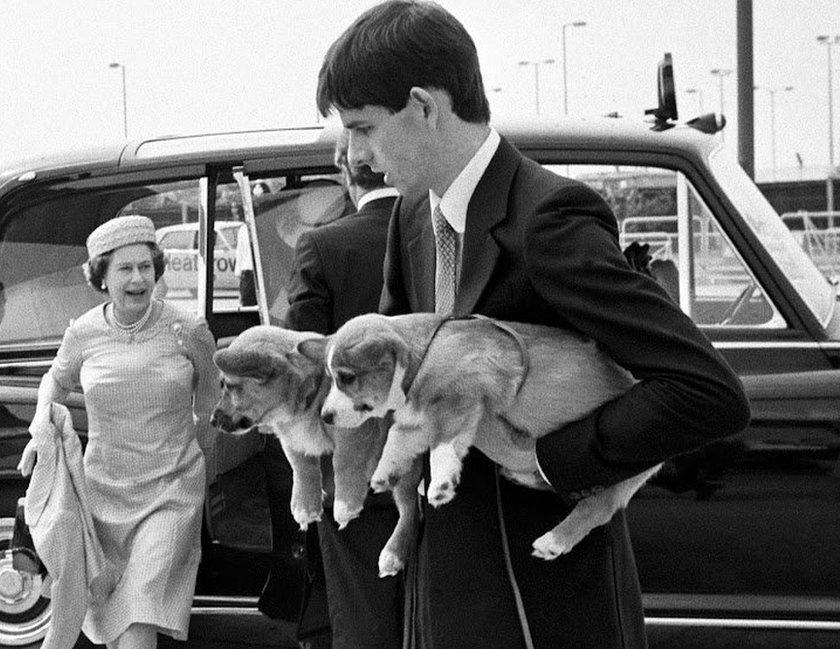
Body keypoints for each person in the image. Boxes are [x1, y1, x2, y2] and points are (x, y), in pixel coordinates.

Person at [315, 3, 751, 648]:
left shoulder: (549, 218)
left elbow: (705, 392)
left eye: (363, 128)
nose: (354, 154)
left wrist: (544, 459)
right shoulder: (411, 218)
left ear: (424, 106)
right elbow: (395, 392)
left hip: (541, 597)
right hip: (440, 584)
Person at [18, 214, 220, 649]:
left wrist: (204, 366)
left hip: (172, 489)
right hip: (104, 492)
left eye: (146, 266)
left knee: (141, 615)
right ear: (102, 277)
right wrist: (41, 425)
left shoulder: (189, 328)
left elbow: (210, 402)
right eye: (125, 269)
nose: (138, 278)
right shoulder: (84, 331)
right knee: (115, 622)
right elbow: (55, 380)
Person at [284, 132, 402, 649]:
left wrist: (305, 471)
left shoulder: (323, 244)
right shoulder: (448, 234)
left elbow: (300, 369)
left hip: (357, 465)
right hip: (449, 449)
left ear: (345, 169)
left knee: (366, 613)